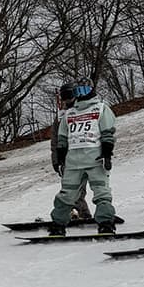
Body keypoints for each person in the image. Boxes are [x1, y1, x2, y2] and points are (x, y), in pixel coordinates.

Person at [49, 81, 117, 236]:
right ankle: (58, 223)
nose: (81, 94)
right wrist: (60, 159)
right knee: (67, 194)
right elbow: (61, 138)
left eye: (84, 90)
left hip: (95, 159)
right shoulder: (69, 113)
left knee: (101, 191)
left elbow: (107, 132)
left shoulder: (100, 108)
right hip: (73, 162)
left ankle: (105, 222)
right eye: (78, 91)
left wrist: (107, 154)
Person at [51, 82, 93, 220]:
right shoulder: (61, 116)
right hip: (66, 158)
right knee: (70, 189)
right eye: (65, 97)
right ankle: (76, 213)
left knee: (79, 189)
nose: (67, 100)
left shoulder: (83, 110)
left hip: (83, 155)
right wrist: (56, 160)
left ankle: (82, 213)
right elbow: (55, 140)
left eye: (69, 96)